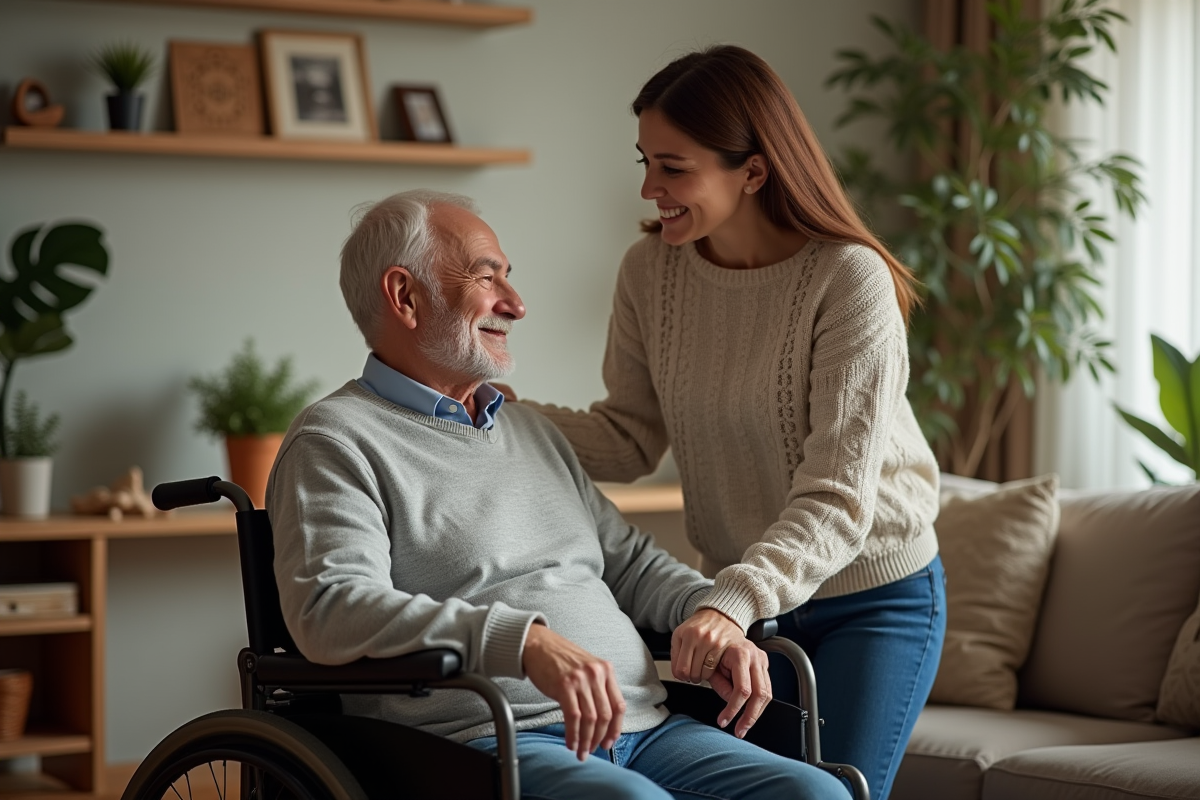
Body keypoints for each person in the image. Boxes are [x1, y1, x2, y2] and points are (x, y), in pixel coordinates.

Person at [266, 189, 848, 800]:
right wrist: (524, 641)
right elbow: (330, 608)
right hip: (489, 741)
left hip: (647, 728)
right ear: (405, 297)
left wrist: (711, 613)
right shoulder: (335, 439)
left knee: (819, 795)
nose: (516, 304)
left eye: (508, 279)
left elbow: (629, 563)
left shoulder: (531, 430)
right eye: (487, 278)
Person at [507, 46, 946, 800]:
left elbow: (839, 495)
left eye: (673, 168)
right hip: (747, 609)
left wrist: (726, 603)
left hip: (870, 599)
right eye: (645, 161)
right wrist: (495, 413)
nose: (649, 188)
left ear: (753, 169)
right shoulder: (650, 272)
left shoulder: (848, 279)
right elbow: (629, 436)